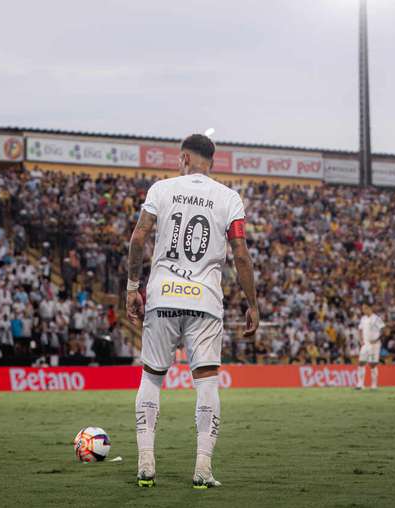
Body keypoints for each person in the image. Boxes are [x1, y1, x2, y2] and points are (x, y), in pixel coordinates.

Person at [126, 134, 259, 489]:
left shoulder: (161, 189)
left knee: (152, 377)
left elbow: (139, 238)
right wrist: (252, 303)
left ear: (184, 157)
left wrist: (131, 287)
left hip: (163, 297)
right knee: (206, 383)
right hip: (205, 303)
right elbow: (241, 255)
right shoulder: (229, 198)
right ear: (211, 161)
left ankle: (145, 462)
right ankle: (202, 467)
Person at [356, 303, 385, 390]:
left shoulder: (376, 318)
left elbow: (383, 329)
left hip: (374, 344)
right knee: (361, 362)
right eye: (362, 308)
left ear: (369, 308)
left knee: (373, 364)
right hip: (365, 344)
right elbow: (360, 329)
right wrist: (361, 340)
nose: (363, 310)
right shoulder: (363, 318)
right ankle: (360, 384)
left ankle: (374, 385)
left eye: (364, 308)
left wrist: (376, 340)